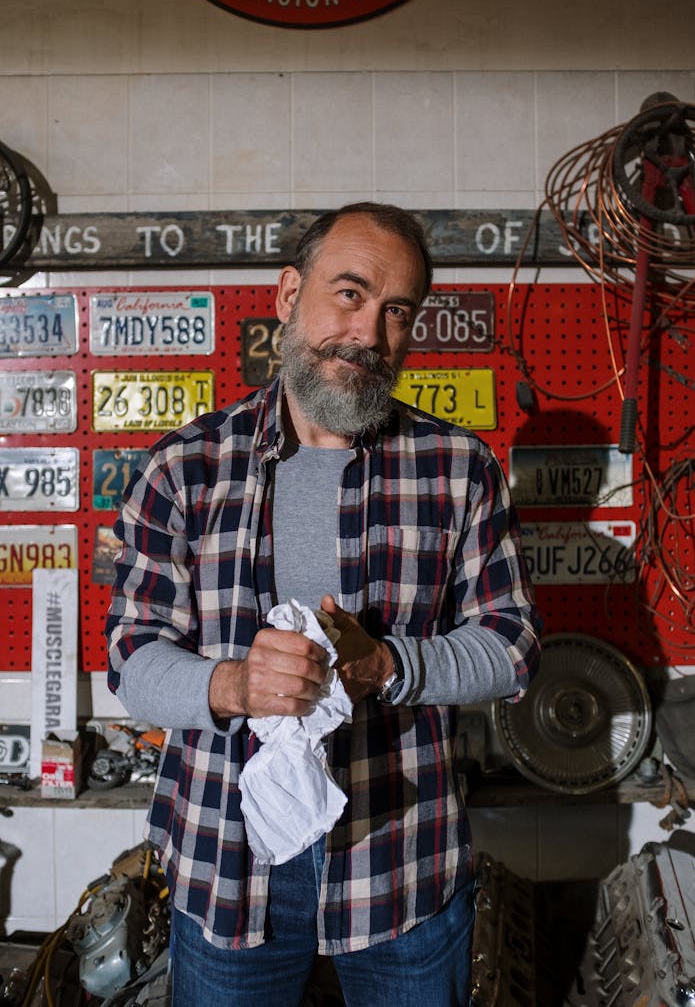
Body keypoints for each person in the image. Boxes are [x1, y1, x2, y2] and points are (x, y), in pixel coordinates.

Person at [105, 201, 541, 1007]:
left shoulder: (457, 467)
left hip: (400, 860)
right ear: (286, 294)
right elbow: (133, 661)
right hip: (228, 862)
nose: (370, 334)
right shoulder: (184, 468)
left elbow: (511, 647)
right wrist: (234, 685)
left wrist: (390, 665)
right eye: (350, 294)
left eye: (397, 311)